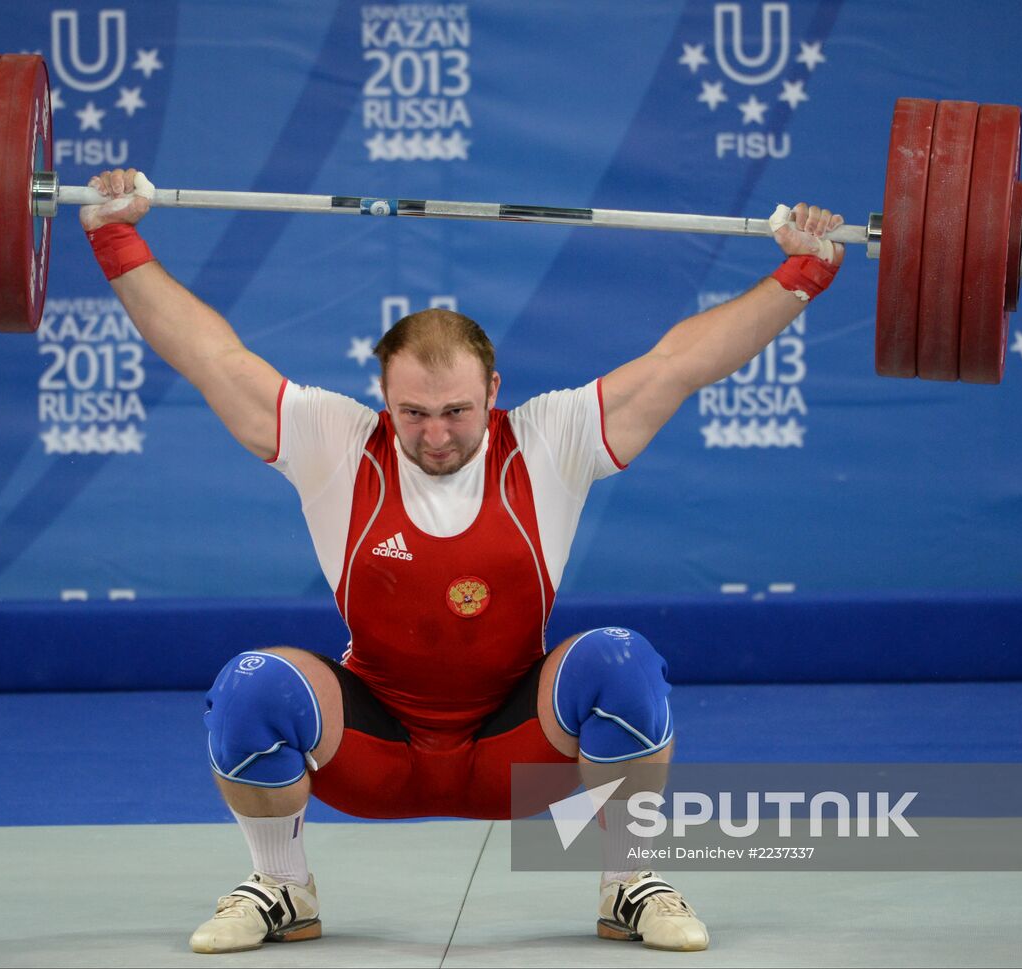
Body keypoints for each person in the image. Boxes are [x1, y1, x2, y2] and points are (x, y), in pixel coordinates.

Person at [81, 168, 844, 954]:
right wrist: (116, 237)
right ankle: (282, 885)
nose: (435, 434)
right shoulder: (336, 444)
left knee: (621, 661)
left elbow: (683, 360)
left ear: (494, 392)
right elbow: (213, 356)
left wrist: (802, 273)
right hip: (375, 752)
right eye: (412, 412)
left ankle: (629, 882)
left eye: (456, 412)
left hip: (519, 754)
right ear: (383, 397)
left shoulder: (551, 440)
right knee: (250, 685)